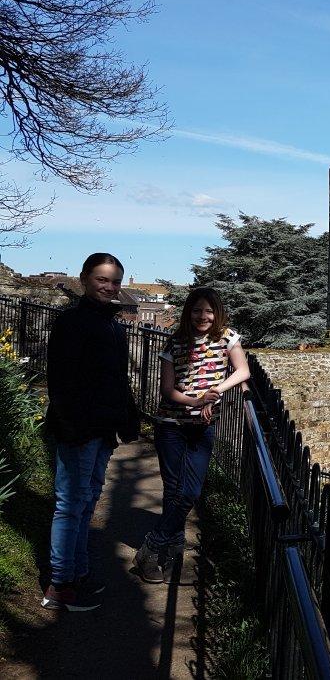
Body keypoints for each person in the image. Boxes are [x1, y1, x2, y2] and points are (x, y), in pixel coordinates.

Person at [42, 253, 141, 611]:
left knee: (86, 503)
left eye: (115, 281)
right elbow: (62, 382)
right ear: (84, 278)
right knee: (70, 505)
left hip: (102, 429)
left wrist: (126, 419)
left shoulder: (113, 325)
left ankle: (78, 574)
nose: (109, 287)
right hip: (79, 429)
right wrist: (72, 427)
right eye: (102, 279)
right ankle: (61, 585)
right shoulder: (72, 322)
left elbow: (115, 380)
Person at [133, 287, 249, 582]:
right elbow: (168, 390)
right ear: (189, 312)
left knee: (190, 491)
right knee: (173, 490)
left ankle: (154, 543)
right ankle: (166, 553)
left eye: (209, 311)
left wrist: (215, 392)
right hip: (170, 425)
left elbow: (242, 371)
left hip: (203, 428)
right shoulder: (175, 343)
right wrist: (195, 402)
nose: (203, 316)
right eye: (197, 310)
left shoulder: (227, 338)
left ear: (217, 312)